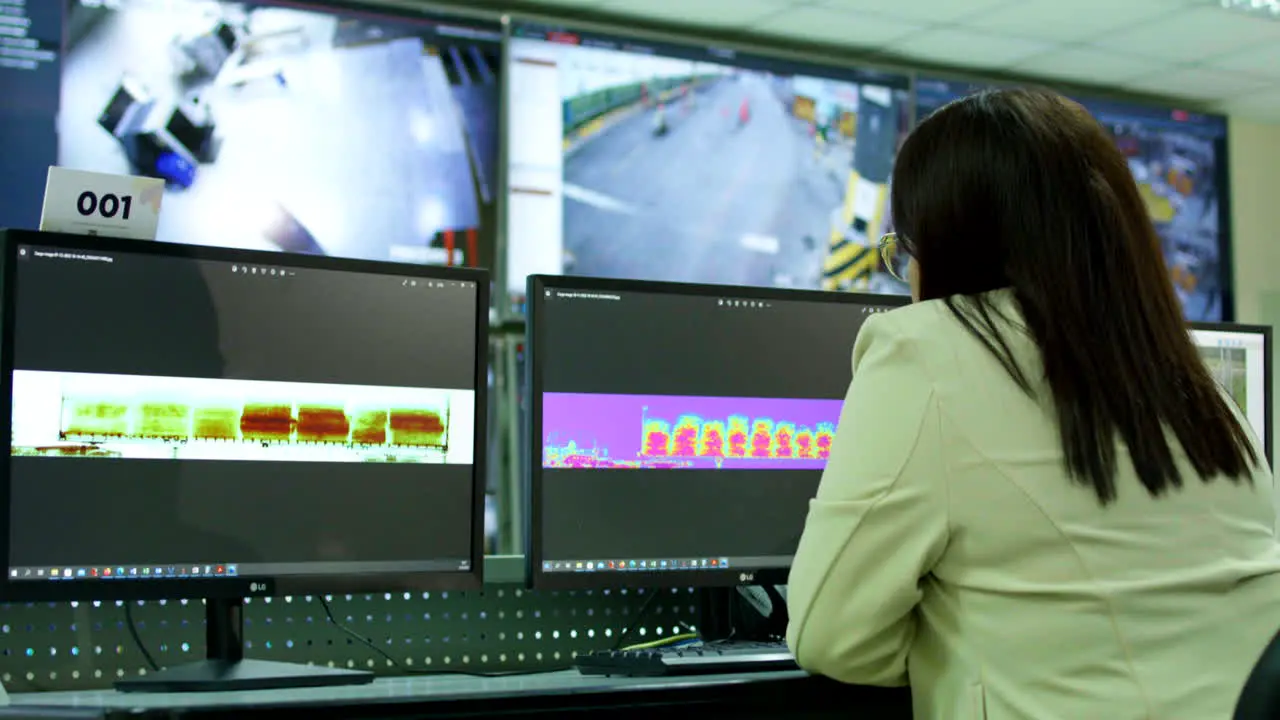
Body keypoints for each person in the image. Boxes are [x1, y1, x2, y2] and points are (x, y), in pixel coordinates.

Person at [785, 87, 1280, 720]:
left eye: (905, 253)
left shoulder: (925, 351)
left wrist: (959, 648)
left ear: (948, 248)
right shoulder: (1200, 387)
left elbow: (827, 635)